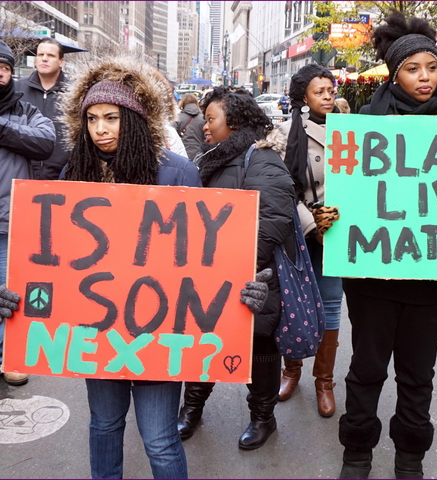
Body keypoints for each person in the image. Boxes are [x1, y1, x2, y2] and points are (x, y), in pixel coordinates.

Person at [57, 56, 270, 479]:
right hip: (97, 330)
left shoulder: (177, 174)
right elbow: (57, 261)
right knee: (103, 425)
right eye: (92, 119)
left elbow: (205, 259)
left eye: (112, 118)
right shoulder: (75, 173)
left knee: (158, 437)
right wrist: (22, 297)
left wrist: (243, 288)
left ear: (134, 120)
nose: (100, 129)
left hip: (160, 332)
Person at [338, 11, 437, 479]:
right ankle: (357, 453)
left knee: (417, 376)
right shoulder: (366, 123)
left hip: (431, 281)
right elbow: (343, 194)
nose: (425, 77)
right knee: (366, 370)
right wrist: (332, 213)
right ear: (394, 72)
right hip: (372, 277)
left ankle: (410, 458)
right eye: (413, 68)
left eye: (432, 67)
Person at [178, 86, 296, 450]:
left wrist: (234, 262)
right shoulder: (212, 158)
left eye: (211, 119)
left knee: (260, 349)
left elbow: (274, 218)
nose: (205, 126)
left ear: (236, 121)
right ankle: (192, 408)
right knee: (203, 343)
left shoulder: (261, 160)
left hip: (253, 280)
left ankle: (263, 417)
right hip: (208, 278)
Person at [277, 64, 343, 418]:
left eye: (331, 90)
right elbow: (281, 188)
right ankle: (291, 371)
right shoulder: (285, 133)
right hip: (300, 233)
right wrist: (310, 223)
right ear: (303, 96)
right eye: (320, 91)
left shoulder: (352, 132)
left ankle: (324, 382)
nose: (328, 96)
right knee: (295, 303)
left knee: (331, 305)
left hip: (337, 233)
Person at [0, 40, 55, 387]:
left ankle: (11, 356)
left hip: (10, 218)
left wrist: (3, 130)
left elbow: (45, 142)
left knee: (10, 290)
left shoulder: (25, 110)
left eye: (3, 68)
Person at [16, 38, 70, 180]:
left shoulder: (74, 92)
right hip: (22, 174)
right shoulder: (17, 89)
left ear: (61, 62)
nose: (44, 59)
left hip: (63, 175)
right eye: (40, 55)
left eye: (51, 55)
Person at [171, 93, 205, 160]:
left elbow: (171, 136)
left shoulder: (177, 118)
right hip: (199, 155)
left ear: (182, 102)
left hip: (181, 155)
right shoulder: (203, 118)